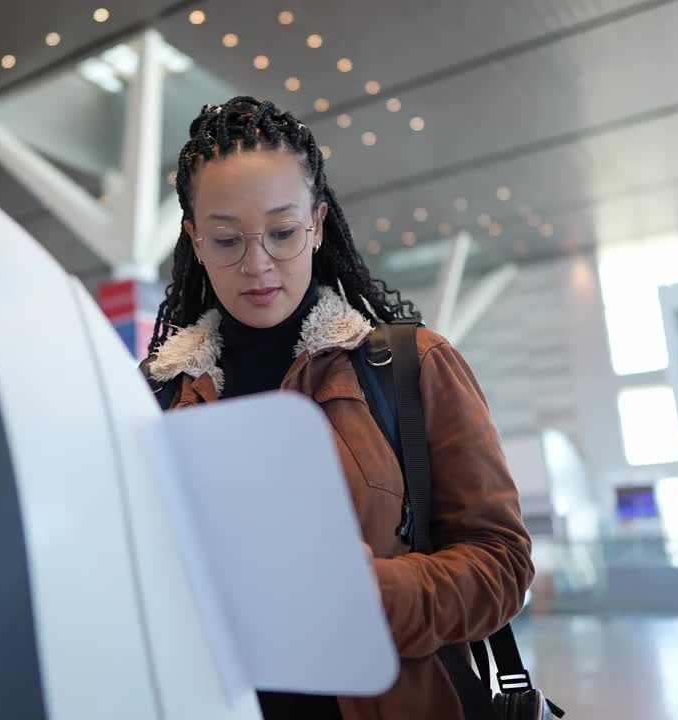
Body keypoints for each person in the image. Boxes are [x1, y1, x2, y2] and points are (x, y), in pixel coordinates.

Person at [142, 97, 535, 720]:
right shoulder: (158, 397)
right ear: (193, 238)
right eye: (225, 238)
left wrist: (369, 592)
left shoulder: (413, 367)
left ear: (318, 224)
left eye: (282, 231)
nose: (256, 263)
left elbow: (503, 564)